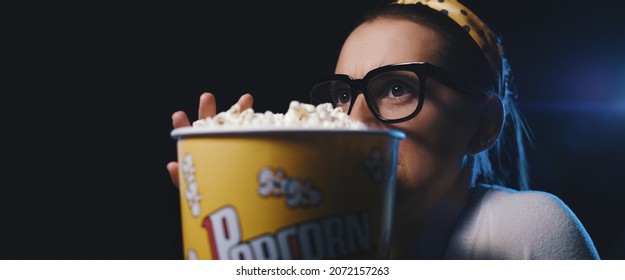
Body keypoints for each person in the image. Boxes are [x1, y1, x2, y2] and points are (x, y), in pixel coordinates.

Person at [166, 0, 600, 259]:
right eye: (341, 96)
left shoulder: (524, 230)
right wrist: (234, 230)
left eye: (396, 88)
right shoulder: (319, 242)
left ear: (482, 125)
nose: (354, 121)